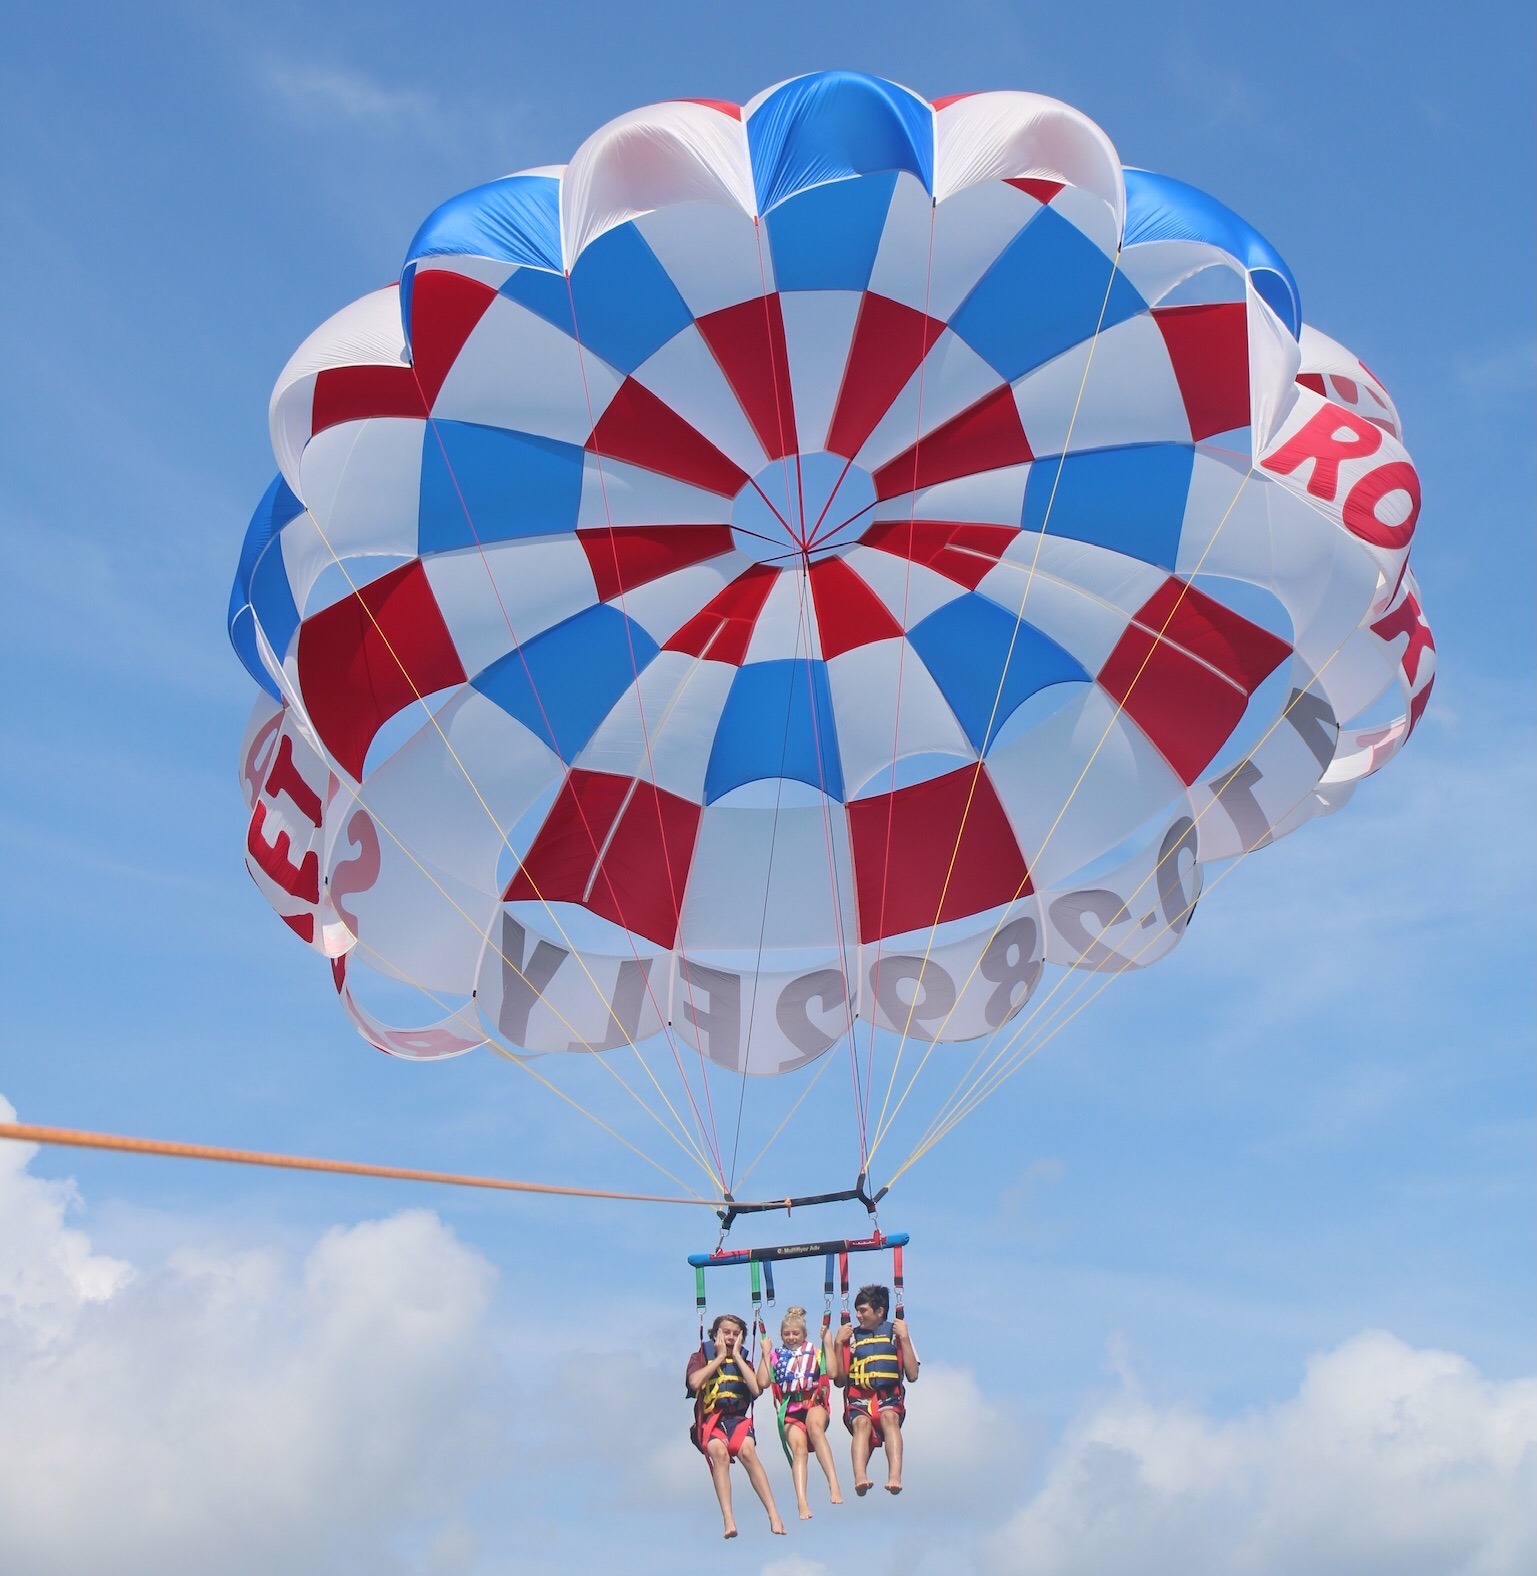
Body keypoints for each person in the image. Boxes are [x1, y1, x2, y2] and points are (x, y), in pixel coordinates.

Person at [686, 1313, 786, 1539]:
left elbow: (756, 1389)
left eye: (735, 1334)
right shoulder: (701, 1357)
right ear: (715, 1335)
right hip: (711, 1422)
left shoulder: (745, 1361)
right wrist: (720, 1358)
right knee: (720, 1455)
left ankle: (774, 1514)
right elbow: (694, 1383)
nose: (730, 1337)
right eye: (726, 1332)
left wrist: (738, 1359)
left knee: (748, 1453)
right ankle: (728, 1519)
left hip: (737, 1420)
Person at [825, 1283, 920, 1496]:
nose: (858, 1315)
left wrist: (904, 1337)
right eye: (857, 1310)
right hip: (859, 1400)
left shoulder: (897, 1335)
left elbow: (912, 1375)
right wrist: (839, 1345)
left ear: (880, 1312)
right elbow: (840, 1380)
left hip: (889, 1398)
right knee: (861, 1424)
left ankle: (894, 1476)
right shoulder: (851, 1337)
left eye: (863, 1311)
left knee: (890, 1419)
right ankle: (860, 1476)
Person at [757, 1305, 844, 1518]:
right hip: (790, 1409)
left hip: (813, 1402)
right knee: (800, 1450)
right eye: (786, 1334)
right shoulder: (777, 1355)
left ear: (804, 1334)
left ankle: (833, 1484)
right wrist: (765, 1353)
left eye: (795, 1333)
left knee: (815, 1429)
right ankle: (802, 1502)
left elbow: (832, 1372)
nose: (791, 1337)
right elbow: (762, 1382)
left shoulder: (815, 1352)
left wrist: (828, 1343)